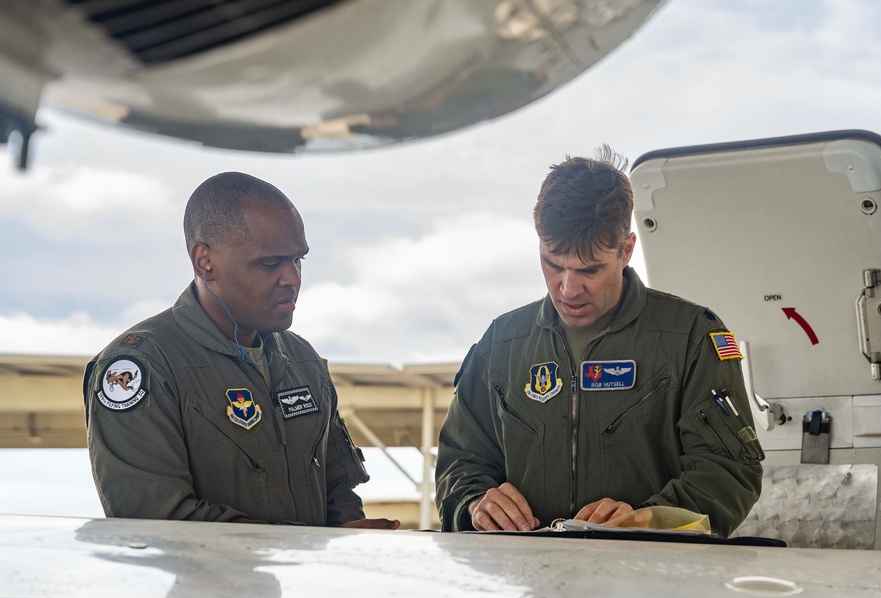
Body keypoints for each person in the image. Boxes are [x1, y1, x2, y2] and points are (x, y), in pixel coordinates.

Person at [435, 146, 764, 537]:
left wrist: (651, 519)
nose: (568, 289)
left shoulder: (692, 338)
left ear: (626, 250)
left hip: (650, 584)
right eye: (553, 264)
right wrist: (475, 501)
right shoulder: (501, 345)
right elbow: (460, 464)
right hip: (529, 585)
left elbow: (729, 472)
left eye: (589, 269)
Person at [84, 172, 398, 529]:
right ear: (205, 261)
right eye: (270, 263)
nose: (292, 278)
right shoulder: (141, 366)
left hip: (307, 583)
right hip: (202, 585)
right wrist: (315, 546)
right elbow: (155, 519)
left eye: (298, 260)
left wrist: (348, 543)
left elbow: (339, 491)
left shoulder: (303, 361)